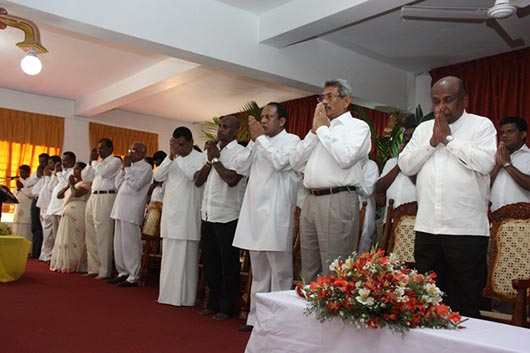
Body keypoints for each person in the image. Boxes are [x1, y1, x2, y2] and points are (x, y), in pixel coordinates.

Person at [398, 76, 496, 318]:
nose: (441, 106)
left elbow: (485, 163)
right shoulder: (423, 130)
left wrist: (449, 139)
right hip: (427, 229)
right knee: (427, 302)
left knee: (465, 304)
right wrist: (432, 142)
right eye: (436, 101)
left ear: (465, 100)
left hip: (465, 231)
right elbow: (406, 165)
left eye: (448, 100)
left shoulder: (481, 126)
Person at [290, 79, 371, 282]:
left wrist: (324, 130)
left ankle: (334, 314)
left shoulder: (357, 127)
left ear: (346, 101)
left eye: (330, 97)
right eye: (322, 97)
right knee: (309, 266)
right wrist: (313, 132)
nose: (324, 102)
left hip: (338, 198)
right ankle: (309, 313)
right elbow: (295, 162)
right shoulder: (319, 130)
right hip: (310, 200)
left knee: (335, 268)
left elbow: (345, 158)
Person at [232, 102, 300, 331]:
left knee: (280, 272)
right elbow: (240, 167)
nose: (263, 121)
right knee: (259, 271)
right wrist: (254, 141)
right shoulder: (258, 142)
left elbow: (281, 163)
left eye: (269, 117)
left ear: (282, 121)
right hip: (254, 213)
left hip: (276, 213)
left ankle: (278, 322)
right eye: (262, 117)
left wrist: (260, 140)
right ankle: (256, 318)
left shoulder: (293, 141)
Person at [194, 115, 247, 321]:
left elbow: (232, 179)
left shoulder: (240, 153)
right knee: (210, 262)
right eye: (220, 126)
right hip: (208, 213)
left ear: (236, 132)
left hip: (228, 215)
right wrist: (210, 159)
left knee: (228, 265)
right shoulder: (212, 151)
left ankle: (227, 307)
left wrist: (216, 159)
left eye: (226, 127)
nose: (220, 130)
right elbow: (198, 181)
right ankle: (212, 303)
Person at [155, 129, 204, 306]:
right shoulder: (172, 158)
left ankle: (185, 298)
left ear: (191, 142)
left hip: (188, 216)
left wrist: (179, 157)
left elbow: (193, 176)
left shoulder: (200, 157)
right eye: (176, 144)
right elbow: (157, 176)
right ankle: (167, 296)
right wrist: (170, 156)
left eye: (182, 145)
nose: (179, 148)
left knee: (187, 259)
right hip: (170, 215)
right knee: (169, 256)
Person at [109, 142, 153, 287]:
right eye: (130, 150)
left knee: (130, 244)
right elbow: (117, 185)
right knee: (119, 243)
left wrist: (127, 169)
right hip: (120, 208)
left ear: (142, 153)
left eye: (133, 150)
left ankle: (133, 275)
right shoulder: (129, 168)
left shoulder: (146, 168)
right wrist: (123, 170)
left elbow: (136, 186)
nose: (130, 153)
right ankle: (122, 272)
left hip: (132, 210)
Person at [85, 138, 122, 279]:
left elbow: (105, 173)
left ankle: (105, 270)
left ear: (110, 149)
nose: (99, 151)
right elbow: (85, 176)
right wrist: (90, 162)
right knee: (91, 234)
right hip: (93, 196)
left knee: (103, 234)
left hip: (106, 197)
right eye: (98, 148)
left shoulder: (115, 161)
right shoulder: (96, 164)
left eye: (102, 148)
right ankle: (93, 268)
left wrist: (94, 163)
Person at [49, 162, 92, 273]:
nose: (74, 171)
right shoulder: (73, 183)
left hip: (78, 212)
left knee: (76, 238)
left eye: (77, 169)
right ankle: (65, 262)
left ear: (83, 171)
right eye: (74, 169)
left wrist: (72, 185)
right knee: (66, 237)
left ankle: (76, 263)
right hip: (67, 213)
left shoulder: (86, 183)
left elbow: (76, 194)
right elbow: (59, 195)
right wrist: (68, 185)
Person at [374, 123, 417, 222]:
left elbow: (418, 182)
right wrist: (399, 163)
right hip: (389, 220)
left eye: (411, 136)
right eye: (405, 136)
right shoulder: (391, 162)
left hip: (411, 222)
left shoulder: (423, 163)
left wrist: (407, 162)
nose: (407, 139)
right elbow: (379, 187)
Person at [490, 117, 530, 211]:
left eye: (510, 132)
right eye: (502, 132)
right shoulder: (494, 157)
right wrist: (498, 166)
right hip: (495, 219)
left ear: (523, 134)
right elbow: (482, 187)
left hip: (523, 221)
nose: (504, 136)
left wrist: (507, 164)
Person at [45, 152, 76, 254]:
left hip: (62, 207)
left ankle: (61, 256)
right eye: (62, 160)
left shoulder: (73, 172)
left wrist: (58, 173)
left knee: (61, 235)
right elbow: (51, 187)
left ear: (72, 161)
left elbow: (66, 185)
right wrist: (55, 173)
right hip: (54, 207)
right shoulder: (61, 172)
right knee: (55, 235)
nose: (63, 163)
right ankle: (55, 256)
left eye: (66, 160)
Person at [35, 155, 62, 263]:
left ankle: (49, 255)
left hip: (49, 205)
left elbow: (51, 188)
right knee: (45, 232)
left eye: (50, 163)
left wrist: (47, 177)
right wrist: (44, 177)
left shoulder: (56, 175)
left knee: (49, 233)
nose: (47, 165)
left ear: (56, 164)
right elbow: (39, 189)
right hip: (43, 205)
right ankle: (44, 254)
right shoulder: (47, 175)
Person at [24, 153, 49, 258]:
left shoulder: (51, 173)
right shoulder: (37, 172)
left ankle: (41, 254)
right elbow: (27, 184)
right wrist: (38, 175)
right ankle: (35, 253)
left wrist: (44, 175)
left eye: (44, 161)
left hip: (44, 202)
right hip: (35, 201)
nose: (41, 164)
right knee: (35, 228)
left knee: (44, 228)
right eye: (40, 161)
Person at [357, 158, 379, 253]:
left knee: (362, 246)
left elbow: (367, 190)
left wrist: (349, 179)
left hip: (364, 208)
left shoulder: (371, 165)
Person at [12, 165, 33, 242]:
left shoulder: (32, 181)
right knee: (17, 233)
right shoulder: (20, 182)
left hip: (27, 212)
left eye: (23, 172)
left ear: (28, 172)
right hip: (18, 212)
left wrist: (22, 188)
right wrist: (18, 189)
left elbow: (33, 194)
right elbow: (13, 196)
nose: (21, 174)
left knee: (26, 234)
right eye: (20, 172)